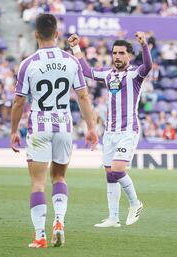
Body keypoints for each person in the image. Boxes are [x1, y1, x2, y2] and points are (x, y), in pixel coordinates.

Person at [10, 14, 98, 248]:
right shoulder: (71, 61)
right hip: (64, 126)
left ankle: (40, 235)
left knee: (37, 183)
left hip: (39, 126)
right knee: (59, 177)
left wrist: (13, 131)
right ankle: (59, 222)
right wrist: (91, 127)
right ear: (57, 33)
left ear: (36, 34)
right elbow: (83, 96)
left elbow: (19, 102)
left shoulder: (28, 63)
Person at [68, 31, 152, 227]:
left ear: (129, 56)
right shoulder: (108, 75)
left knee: (117, 169)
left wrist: (145, 46)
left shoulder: (134, 75)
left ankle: (135, 203)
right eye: (115, 53)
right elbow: (87, 71)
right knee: (110, 174)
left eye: (122, 53)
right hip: (110, 132)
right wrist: (75, 48)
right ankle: (113, 218)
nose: (117, 56)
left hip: (127, 131)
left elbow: (148, 66)